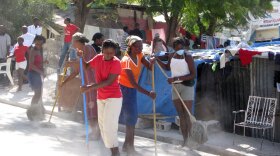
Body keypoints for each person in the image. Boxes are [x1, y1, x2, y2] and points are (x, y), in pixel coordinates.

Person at [80, 39, 122, 156]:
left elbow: (108, 82)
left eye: (111, 53)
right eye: (107, 52)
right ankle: (112, 151)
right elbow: (87, 66)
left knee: (110, 127)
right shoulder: (98, 58)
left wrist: (89, 87)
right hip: (101, 97)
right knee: (103, 127)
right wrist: (81, 57)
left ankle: (115, 152)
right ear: (102, 50)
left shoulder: (116, 62)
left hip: (114, 98)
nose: (109, 55)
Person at [119, 35, 156, 155]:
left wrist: (152, 62)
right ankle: (130, 147)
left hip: (131, 90)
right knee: (131, 119)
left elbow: (150, 68)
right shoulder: (126, 61)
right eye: (138, 46)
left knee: (132, 119)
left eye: (141, 46)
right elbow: (134, 84)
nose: (140, 48)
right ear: (131, 46)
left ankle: (127, 145)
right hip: (124, 90)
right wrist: (148, 93)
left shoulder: (140, 55)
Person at [156, 37, 196, 146]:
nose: (179, 49)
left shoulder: (188, 57)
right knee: (181, 115)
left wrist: (176, 79)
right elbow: (167, 68)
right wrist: (157, 60)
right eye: (177, 47)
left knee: (188, 115)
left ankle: (192, 141)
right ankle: (185, 141)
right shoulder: (171, 55)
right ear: (173, 47)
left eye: (181, 47)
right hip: (175, 88)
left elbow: (193, 75)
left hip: (187, 87)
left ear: (184, 46)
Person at [61, 32, 100, 140]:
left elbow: (86, 64)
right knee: (89, 108)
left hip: (92, 84)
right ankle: (94, 132)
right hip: (87, 85)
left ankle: (95, 133)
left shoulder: (87, 48)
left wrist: (71, 63)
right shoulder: (80, 51)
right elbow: (77, 71)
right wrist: (64, 82)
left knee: (92, 108)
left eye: (73, 42)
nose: (72, 44)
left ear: (78, 41)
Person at [27, 35, 46, 121]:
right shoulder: (33, 50)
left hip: (38, 74)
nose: (39, 44)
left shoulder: (40, 50)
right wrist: (41, 72)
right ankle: (30, 113)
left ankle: (37, 112)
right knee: (37, 94)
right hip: (33, 74)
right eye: (37, 42)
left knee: (39, 94)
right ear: (35, 41)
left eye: (41, 43)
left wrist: (44, 62)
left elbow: (39, 62)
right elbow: (31, 65)